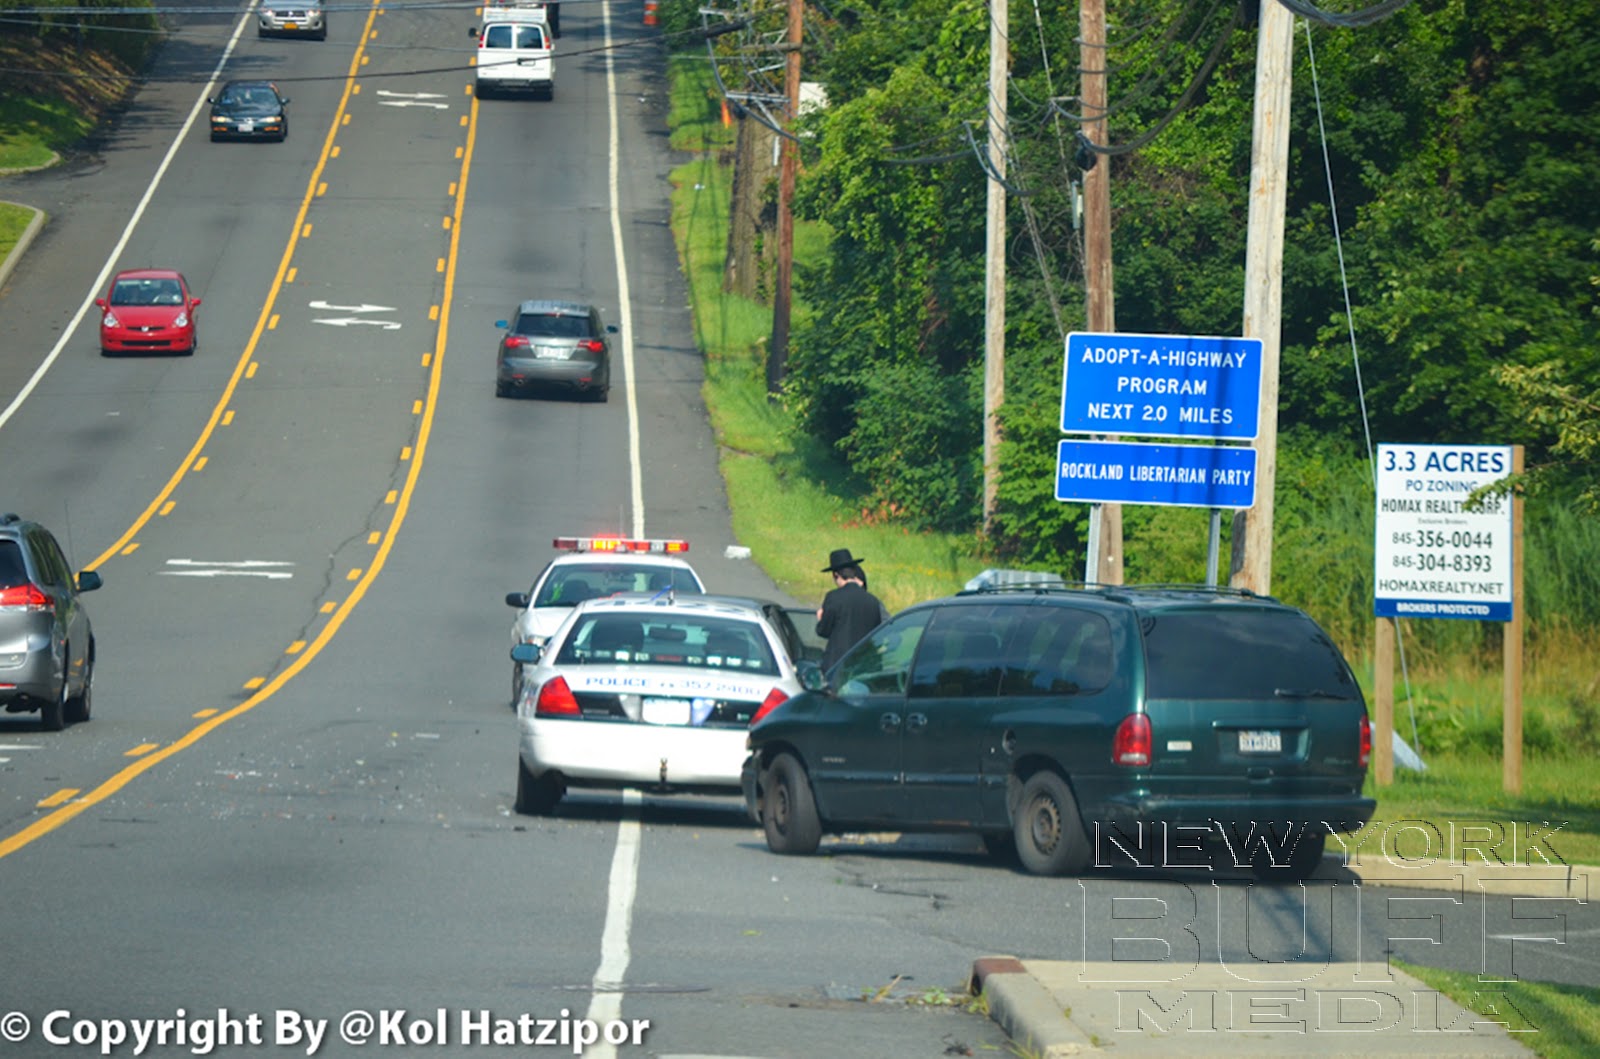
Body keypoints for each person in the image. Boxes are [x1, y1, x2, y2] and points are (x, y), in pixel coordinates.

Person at [815, 548, 889, 672]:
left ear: (836, 575)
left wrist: (821, 619)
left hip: (839, 666)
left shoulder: (833, 597)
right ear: (853, 572)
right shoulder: (873, 601)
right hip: (865, 667)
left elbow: (824, 631)